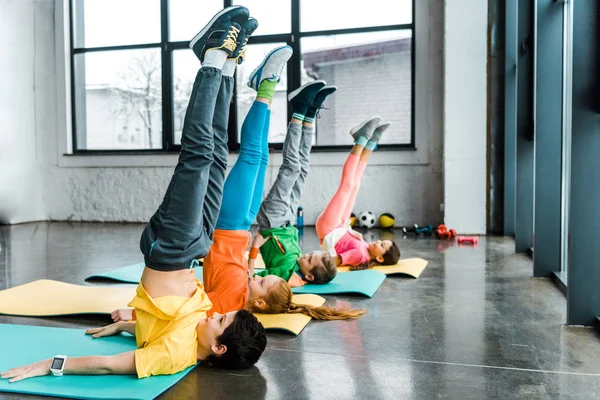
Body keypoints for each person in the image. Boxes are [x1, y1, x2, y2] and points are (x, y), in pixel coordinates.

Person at [1, 6, 267, 383]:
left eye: (220, 320)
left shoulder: (174, 354)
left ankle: (211, 56)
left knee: (198, 153)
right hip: (197, 247)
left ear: (218, 348)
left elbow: (110, 364)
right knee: (220, 157)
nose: (214, 313)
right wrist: (125, 327)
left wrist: (49, 365)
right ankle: (229, 65)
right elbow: (150, 328)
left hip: (170, 249)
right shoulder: (193, 333)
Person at [250, 80, 339, 287]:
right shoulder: (302, 268)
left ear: (308, 276)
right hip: (288, 218)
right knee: (303, 167)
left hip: (272, 219)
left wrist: (254, 249)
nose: (305, 255)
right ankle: (309, 114)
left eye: (308, 259)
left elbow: (253, 276)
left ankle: (298, 108)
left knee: (292, 167)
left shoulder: (286, 276)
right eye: (310, 254)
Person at [313, 116, 401, 270]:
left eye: (381, 245)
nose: (377, 241)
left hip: (329, 228)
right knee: (355, 184)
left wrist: (308, 263)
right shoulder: (367, 251)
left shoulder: (361, 255)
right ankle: (371, 142)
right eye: (382, 241)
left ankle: (362, 139)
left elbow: (335, 260)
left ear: (379, 258)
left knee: (346, 186)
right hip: (341, 226)